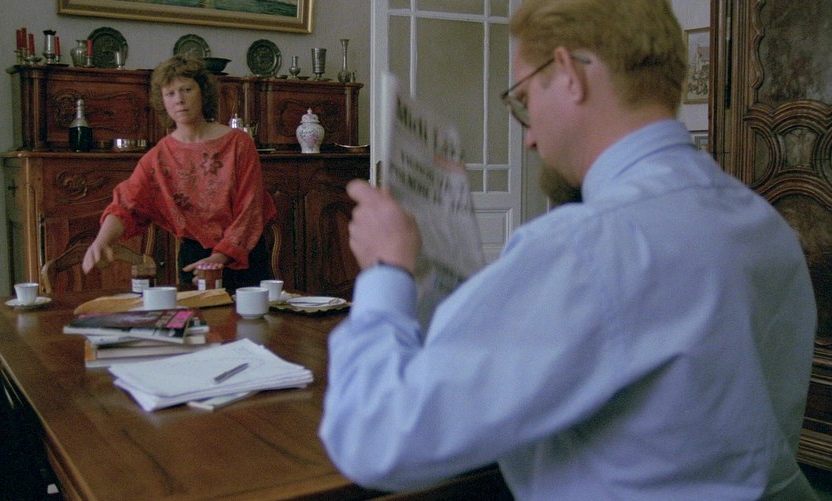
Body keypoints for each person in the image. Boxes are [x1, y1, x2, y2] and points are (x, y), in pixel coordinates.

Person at [319, 0, 819, 499]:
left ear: (567, 74)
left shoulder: (587, 247)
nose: (530, 138)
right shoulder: (765, 224)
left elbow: (373, 439)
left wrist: (386, 270)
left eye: (524, 100)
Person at [82, 55, 276, 291]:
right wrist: (102, 241)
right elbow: (127, 204)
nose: (179, 100)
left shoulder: (238, 143)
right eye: (170, 93)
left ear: (203, 92)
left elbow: (251, 208)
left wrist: (220, 258)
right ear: (162, 101)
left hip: (244, 257)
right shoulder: (159, 157)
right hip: (195, 260)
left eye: (187, 90)